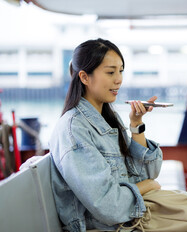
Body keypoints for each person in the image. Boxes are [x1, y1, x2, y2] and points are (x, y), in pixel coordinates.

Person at [49, 38, 163, 231]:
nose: (118, 79)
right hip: (109, 226)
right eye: (110, 72)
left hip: (128, 218)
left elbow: (148, 173)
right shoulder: (74, 129)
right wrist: (146, 186)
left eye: (120, 71)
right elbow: (109, 206)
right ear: (84, 77)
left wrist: (136, 124)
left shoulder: (108, 119)